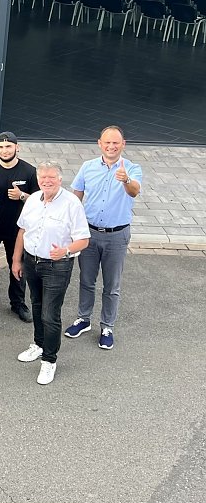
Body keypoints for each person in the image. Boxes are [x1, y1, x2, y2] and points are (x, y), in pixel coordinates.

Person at [12, 162, 90, 385]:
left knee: (50, 313)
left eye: (51, 178)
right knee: (37, 305)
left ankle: (49, 360)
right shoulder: (32, 200)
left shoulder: (72, 204)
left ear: (60, 179)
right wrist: (16, 260)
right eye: (43, 178)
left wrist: (65, 251)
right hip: (32, 262)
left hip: (57, 266)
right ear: (38, 180)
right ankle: (39, 344)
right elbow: (23, 230)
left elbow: (84, 240)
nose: (46, 181)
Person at [65, 126, 142, 350]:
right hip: (89, 233)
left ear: (123, 144)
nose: (111, 146)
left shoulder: (132, 168)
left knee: (112, 285)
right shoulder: (88, 167)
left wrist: (126, 180)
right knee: (86, 280)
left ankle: (107, 326)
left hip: (117, 236)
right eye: (107, 142)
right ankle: (83, 319)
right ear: (99, 143)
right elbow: (76, 197)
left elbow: (134, 191)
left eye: (116, 143)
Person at [0, 132, 39, 321]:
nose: (5, 151)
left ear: (17, 147)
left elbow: (40, 200)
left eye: (9, 146)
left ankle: (18, 303)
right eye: (1, 147)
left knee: (17, 266)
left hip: (17, 229)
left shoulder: (29, 171)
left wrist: (22, 196)